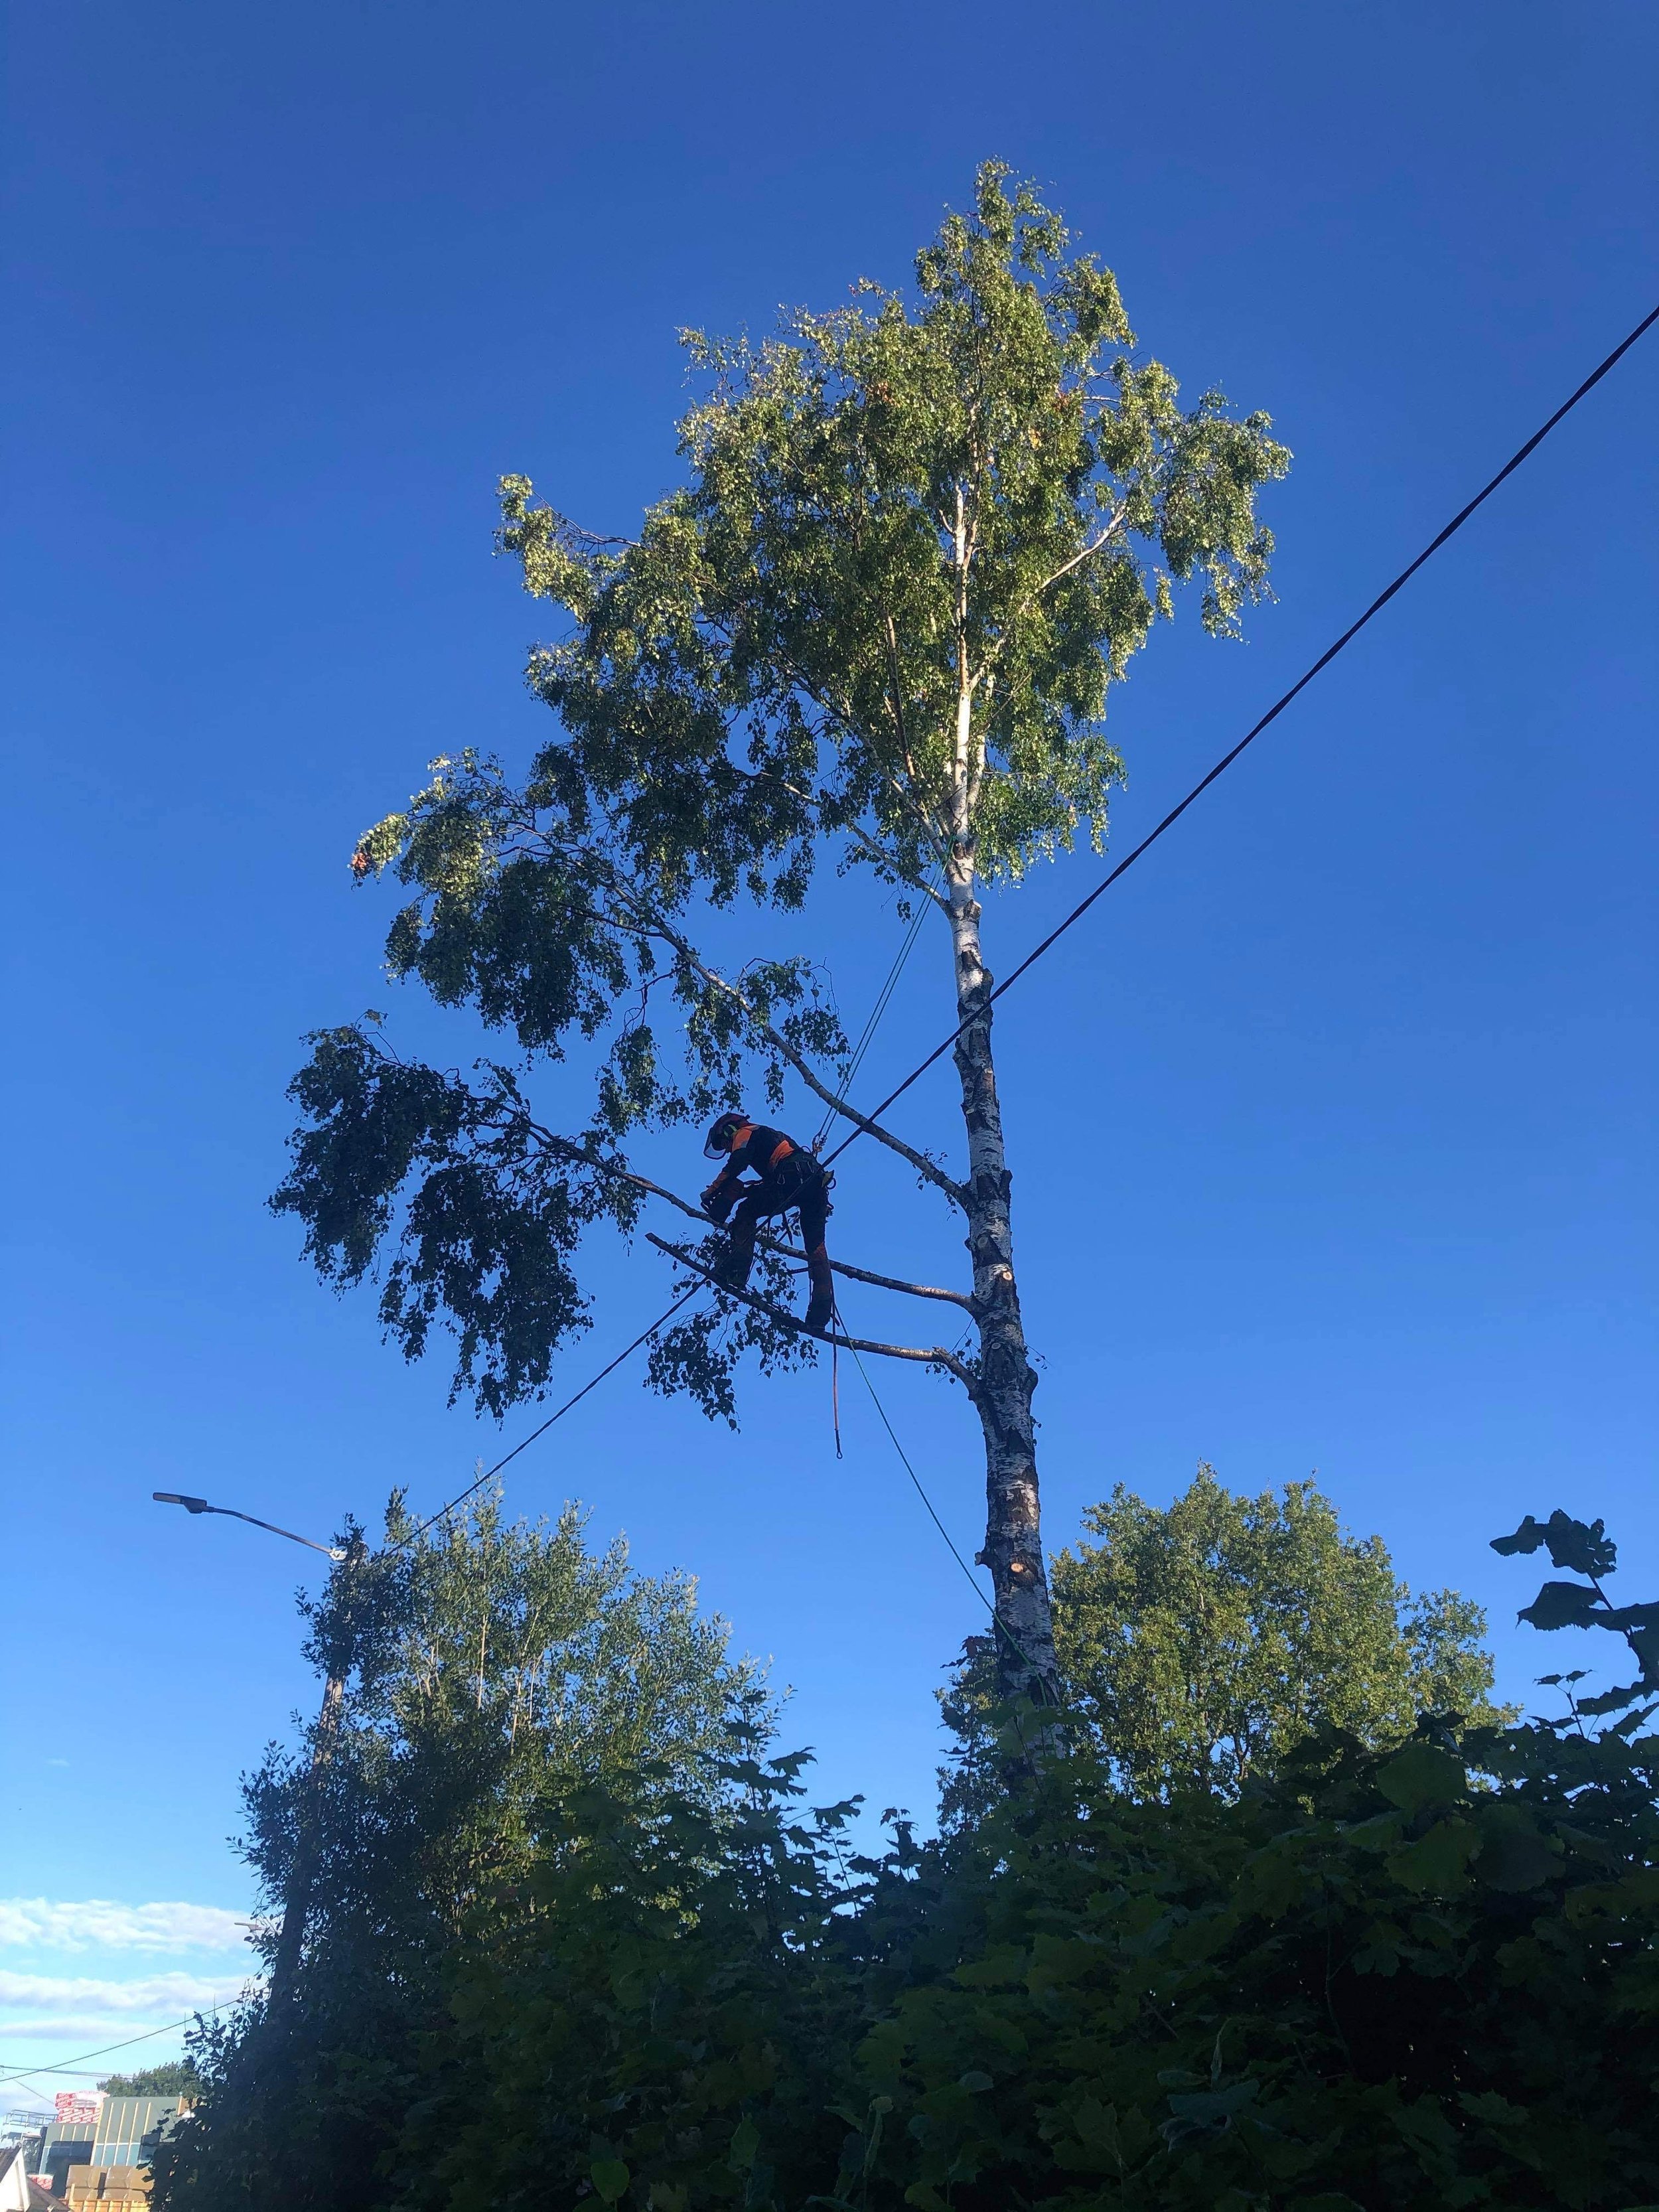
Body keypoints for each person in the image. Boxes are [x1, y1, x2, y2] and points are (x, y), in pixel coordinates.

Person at [699, 1111, 835, 1334]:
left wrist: (713, 1191)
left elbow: (737, 1163)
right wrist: (741, 1191)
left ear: (729, 1131)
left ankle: (737, 1273)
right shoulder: (771, 1138)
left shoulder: (745, 1133)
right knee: (816, 1248)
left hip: (790, 1178)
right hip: (814, 1182)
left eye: (724, 1142)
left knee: (745, 1212)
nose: (726, 1148)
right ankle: (819, 1315)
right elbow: (768, 1182)